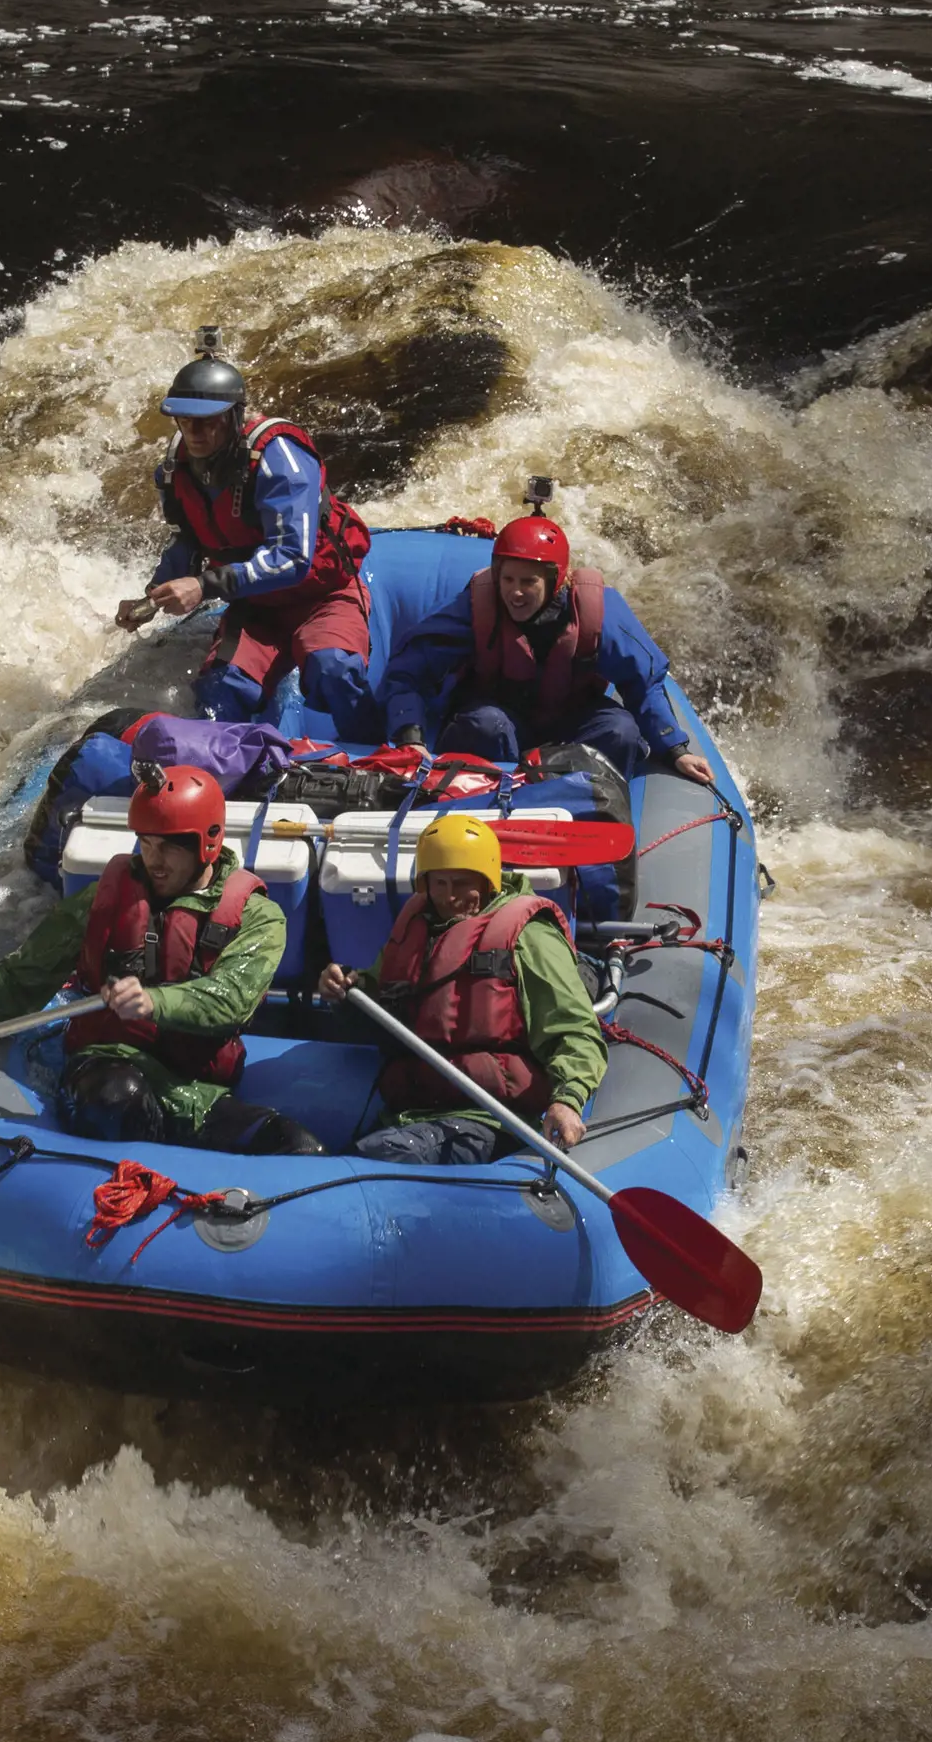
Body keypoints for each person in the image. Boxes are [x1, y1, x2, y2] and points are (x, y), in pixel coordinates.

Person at [0, 766, 322, 1155]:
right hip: (107, 1065)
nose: (154, 859)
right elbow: (21, 979)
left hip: (195, 1088)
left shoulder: (258, 917)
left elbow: (231, 999)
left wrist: (153, 1002)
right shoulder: (104, 900)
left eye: (169, 847)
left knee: (301, 1147)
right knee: (118, 1096)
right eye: (146, 843)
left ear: (206, 843)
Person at [113, 333, 376, 731]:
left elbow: (293, 559)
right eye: (186, 421)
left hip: (322, 596)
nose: (195, 433)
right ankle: (241, 770)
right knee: (222, 689)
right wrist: (152, 597)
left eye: (208, 422)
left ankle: (373, 745)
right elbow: (188, 541)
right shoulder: (175, 468)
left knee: (332, 672)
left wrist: (203, 585)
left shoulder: (280, 458)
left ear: (234, 417)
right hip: (255, 605)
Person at [313, 814, 606, 1165]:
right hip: (412, 1115)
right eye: (440, 883)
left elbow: (573, 1030)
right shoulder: (416, 929)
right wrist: (346, 990)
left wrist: (569, 1099)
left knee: (381, 1159)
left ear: (486, 881)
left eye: (462, 883)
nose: (450, 897)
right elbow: (378, 1009)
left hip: (491, 1120)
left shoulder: (530, 937)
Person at [380, 506, 717, 784]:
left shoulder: (597, 612)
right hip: (499, 716)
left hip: (571, 718)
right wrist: (410, 736)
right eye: (508, 579)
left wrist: (675, 749)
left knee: (620, 731)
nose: (515, 592)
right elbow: (412, 667)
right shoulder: (477, 606)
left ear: (555, 580)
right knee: (484, 726)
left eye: (529, 582)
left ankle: (587, 809)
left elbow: (643, 683)